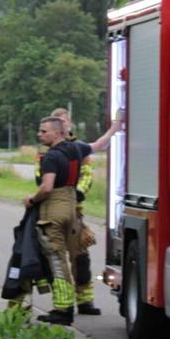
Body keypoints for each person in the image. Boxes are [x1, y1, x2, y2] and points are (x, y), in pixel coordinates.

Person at [25, 115, 121, 325]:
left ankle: (62, 308)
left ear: (57, 132)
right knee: (76, 257)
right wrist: (115, 128)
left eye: (43, 131)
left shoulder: (50, 156)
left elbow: (47, 186)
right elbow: (99, 145)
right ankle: (78, 302)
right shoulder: (76, 149)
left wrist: (32, 200)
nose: (39, 134)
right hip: (72, 208)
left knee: (57, 260)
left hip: (54, 209)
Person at [49, 108, 101, 315]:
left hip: (76, 212)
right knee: (55, 258)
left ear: (68, 124)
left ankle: (85, 300)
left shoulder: (79, 149)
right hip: (53, 209)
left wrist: (78, 191)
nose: (62, 125)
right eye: (57, 122)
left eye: (64, 121)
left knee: (80, 257)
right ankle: (62, 303)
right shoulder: (46, 150)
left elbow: (87, 174)